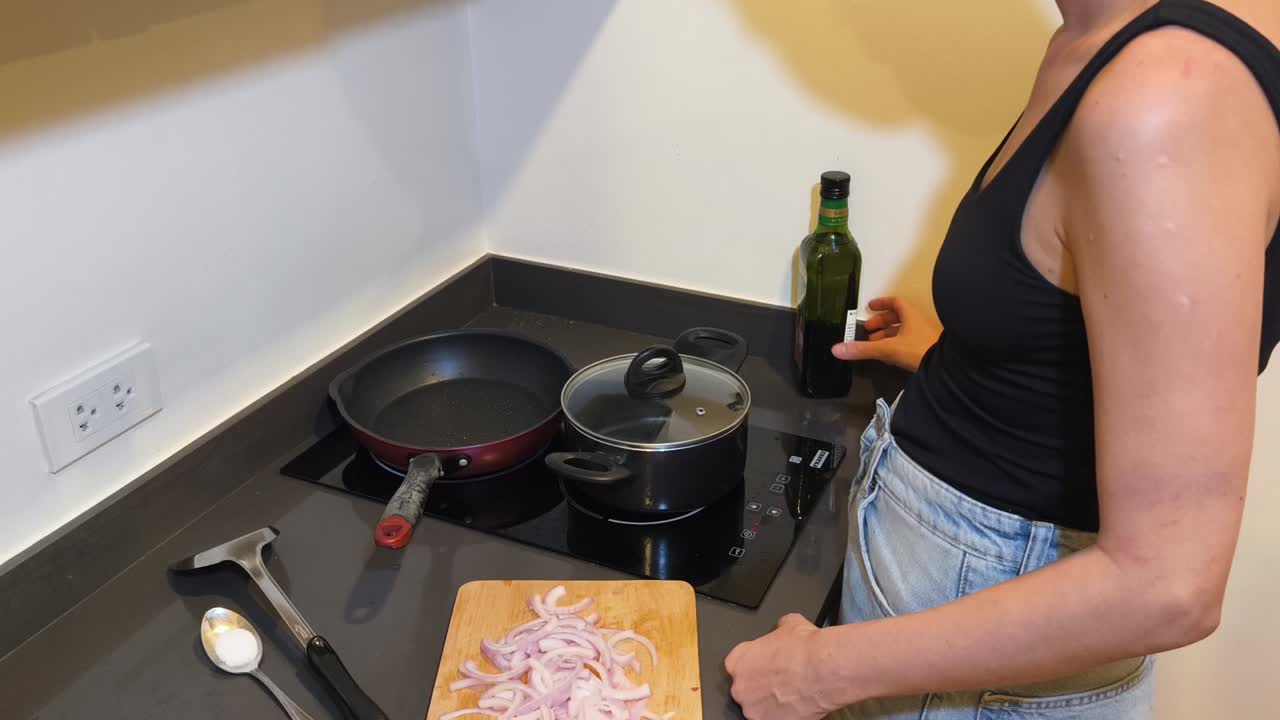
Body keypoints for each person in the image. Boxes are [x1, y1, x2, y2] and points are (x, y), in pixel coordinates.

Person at [724, 0, 1280, 718]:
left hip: (972, 679)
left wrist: (820, 671)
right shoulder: (1099, 35)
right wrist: (978, 356)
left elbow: (1169, 586)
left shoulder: (1169, 92)